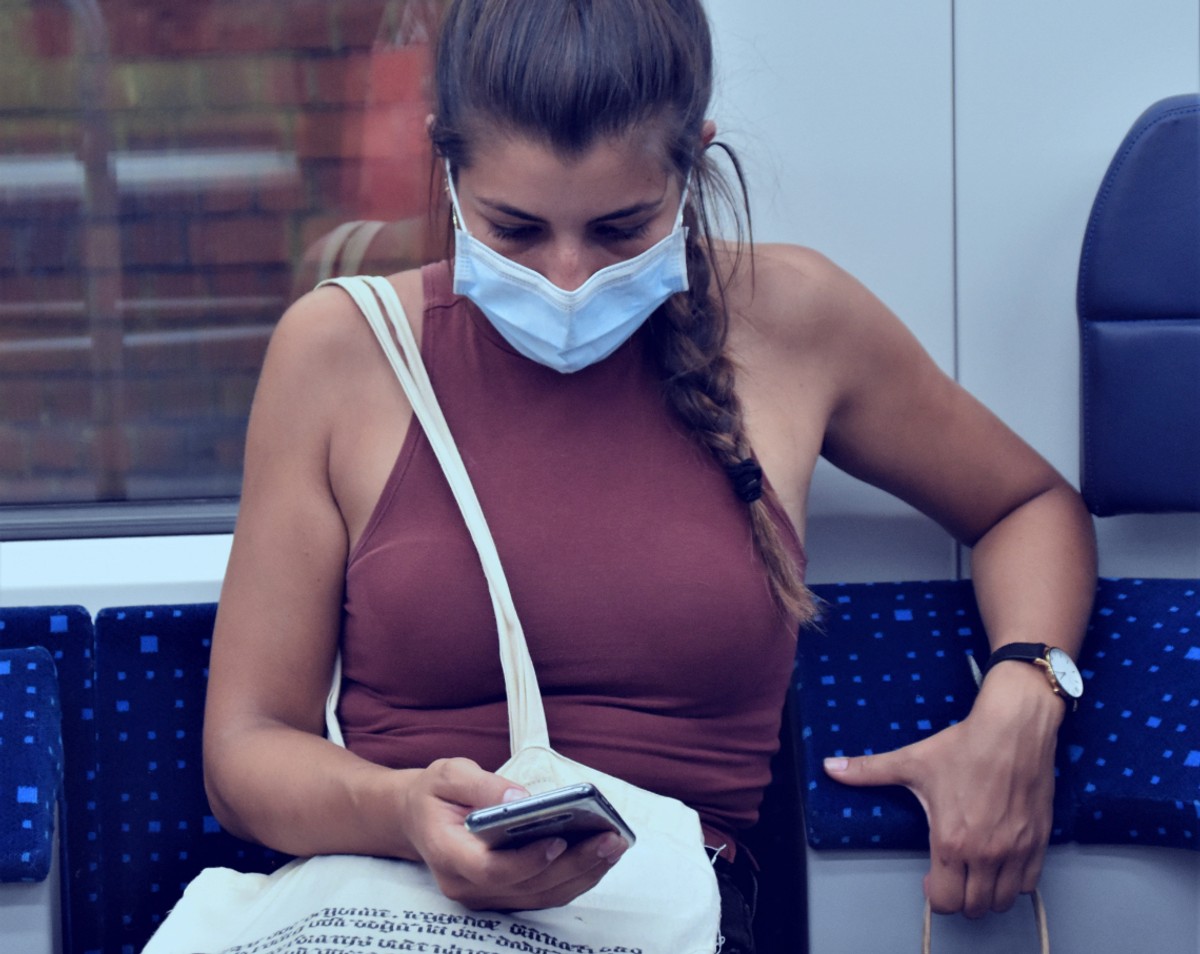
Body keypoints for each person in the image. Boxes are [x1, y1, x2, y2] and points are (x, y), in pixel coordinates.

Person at [202, 0, 1098, 949]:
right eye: (515, 231)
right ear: (447, 165)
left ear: (693, 163)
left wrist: (1023, 699)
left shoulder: (792, 320)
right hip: (386, 907)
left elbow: (1028, 505)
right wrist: (403, 812)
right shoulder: (343, 350)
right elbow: (245, 749)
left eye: (621, 229)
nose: (568, 276)